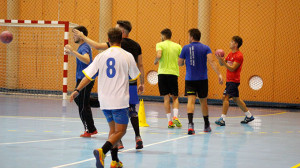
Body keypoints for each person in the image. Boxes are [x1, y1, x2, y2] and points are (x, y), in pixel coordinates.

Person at [70, 28, 140, 168]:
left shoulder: (100, 56)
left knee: (113, 131)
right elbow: (134, 75)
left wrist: (77, 89)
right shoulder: (127, 55)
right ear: (121, 39)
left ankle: (114, 161)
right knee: (121, 131)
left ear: (108, 40)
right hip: (119, 100)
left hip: (104, 100)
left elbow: (88, 77)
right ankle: (103, 151)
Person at [178, 28, 223, 134]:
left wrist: (183, 60)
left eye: (189, 36)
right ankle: (207, 125)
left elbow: (180, 63)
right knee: (204, 102)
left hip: (190, 79)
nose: (188, 38)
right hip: (202, 80)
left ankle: (190, 125)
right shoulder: (206, 48)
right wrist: (219, 74)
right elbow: (212, 61)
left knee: (191, 101)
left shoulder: (185, 48)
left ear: (192, 37)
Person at [65, 26, 97, 137]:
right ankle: (102, 102)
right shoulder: (82, 47)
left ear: (81, 35)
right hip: (82, 78)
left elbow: (87, 60)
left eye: (75, 34)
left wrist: (73, 52)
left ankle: (89, 130)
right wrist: (73, 52)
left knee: (82, 105)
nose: (73, 36)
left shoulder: (85, 46)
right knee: (80, 100)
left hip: (86, 78)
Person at [215, 36, 254, 126]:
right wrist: (219, 59)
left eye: (232, 42)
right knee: (236, 100)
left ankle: (222, 119)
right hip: (229, 81)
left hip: (234, 81)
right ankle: (249, 116)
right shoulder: (230, 54)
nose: (230, 43)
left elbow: (232, 69)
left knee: (225, 97)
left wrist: (224, 63)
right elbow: (222, 64)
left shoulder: (239, 55)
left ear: (236, 44)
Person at [154, 28, 182, 128]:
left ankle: (169, 121)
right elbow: (181, 61)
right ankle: (175, 117)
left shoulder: (160, 44)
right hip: (173, 73)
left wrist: (156, 61)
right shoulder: (178, 46)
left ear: (163, 36)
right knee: (175, 97)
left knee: (166, 98)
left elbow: (159, 54)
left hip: (162, 73)